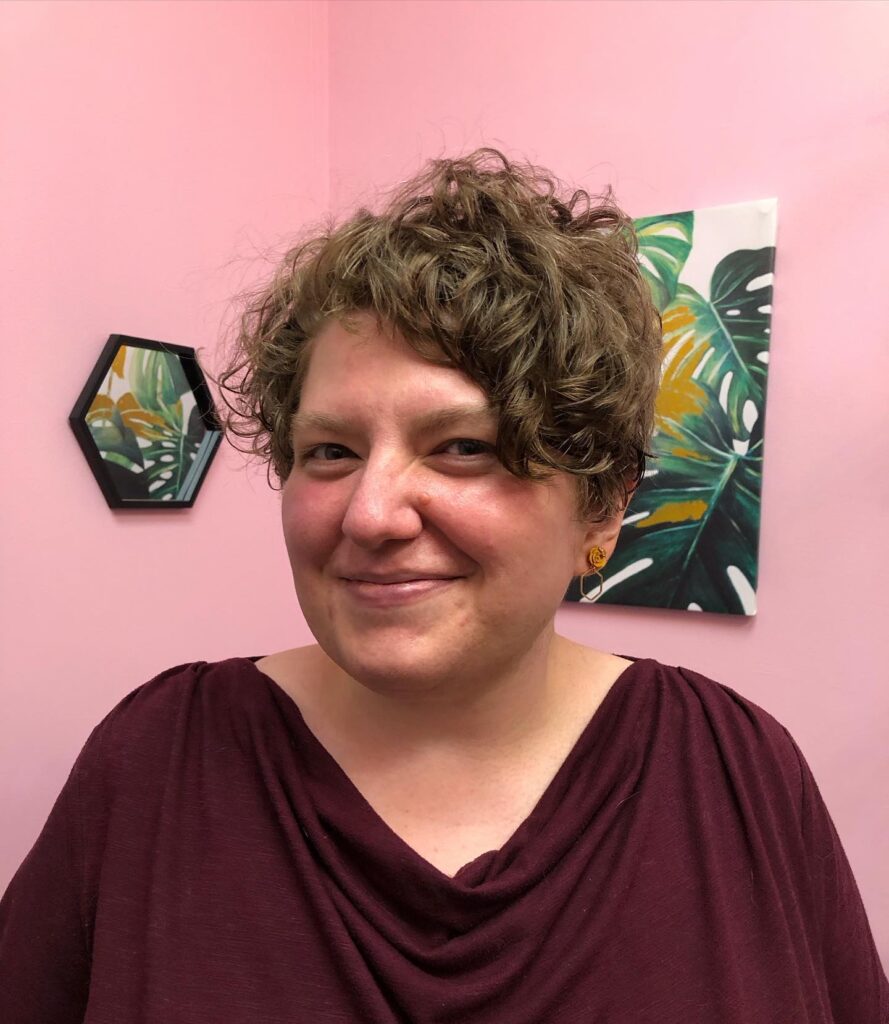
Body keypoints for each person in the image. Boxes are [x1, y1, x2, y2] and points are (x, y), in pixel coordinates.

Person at [1, 149, 886, 1023]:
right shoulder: (155, 762)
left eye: (462, 446)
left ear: (603, 509)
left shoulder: (736, 775)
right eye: (331, 452)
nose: (370, 515)